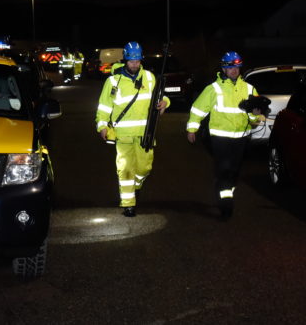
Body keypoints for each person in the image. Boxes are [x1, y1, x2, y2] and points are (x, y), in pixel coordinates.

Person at [186, 51, 265, 218]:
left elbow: (253, 115)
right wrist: (192, 128)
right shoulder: (213, 89)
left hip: (241, 138)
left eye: (236, 67)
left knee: (234, 172)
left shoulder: (250, 88)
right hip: (220, 138)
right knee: (224, 169)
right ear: (224, 68)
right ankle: (226, 205)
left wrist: (256, 116)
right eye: (230, 67)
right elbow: (198, 109)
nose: (234, 70)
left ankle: (225, 191)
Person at [95, 42, 170, 217]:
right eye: (131, 61)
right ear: (125, 60)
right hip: (123, 135)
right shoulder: (113, 81)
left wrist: (165, 102)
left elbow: (161, 96)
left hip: (146, 133)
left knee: (145, 168)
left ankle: (136, 186)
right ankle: (128, 204)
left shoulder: (150, 78)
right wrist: (102, 125)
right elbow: (104, 107)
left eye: (137, 61)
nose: (134, 64)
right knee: (125, 168)